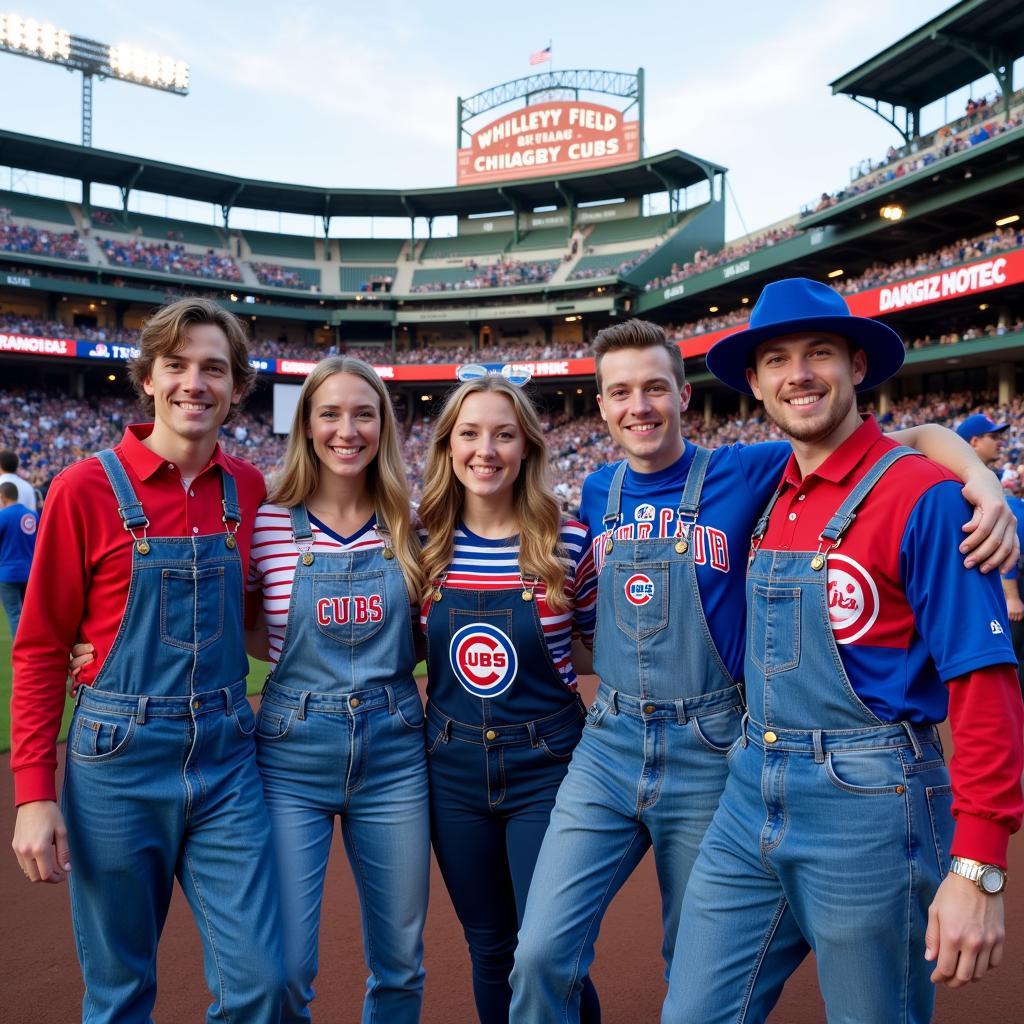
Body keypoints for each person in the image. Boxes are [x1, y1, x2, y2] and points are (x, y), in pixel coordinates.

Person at [509, 318, 1018, 1023]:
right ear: (599, 405)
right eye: (777, 359)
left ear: (687, 396)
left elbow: (895, 451)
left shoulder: (760, 474)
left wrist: (984, 479)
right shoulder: (622, 489)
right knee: (591, 972)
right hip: (695, 761)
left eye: (656, 387)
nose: (639, 406)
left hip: (796, 767)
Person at [667, 278, 1024, 1022]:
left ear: (857, 366)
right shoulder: (766, 486)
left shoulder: (924, 498)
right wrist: (973, 459)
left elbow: (985, 686)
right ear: (757, 385)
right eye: (776, 360)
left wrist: (980, 867)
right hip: (748, 791)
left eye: (819, 352)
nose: (797, 373)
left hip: (871, 804)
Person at [10, 297, 285, 1023]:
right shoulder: (82, 488)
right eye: (178, 365)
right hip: (118, 762)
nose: (195, 382)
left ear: (236, 388)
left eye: (214, 369)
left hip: (228, 755)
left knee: (265, 980)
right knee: (120, 991)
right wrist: (36, 793)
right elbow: (40, 647)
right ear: (149, 380)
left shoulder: (250, 489)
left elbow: (258, 616)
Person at [245, 356, 431, 1022]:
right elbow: (224, 620)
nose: (346, 430)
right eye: (329, 413)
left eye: (363, 413)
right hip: (291, 753)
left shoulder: (415, 522)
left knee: (401, 963)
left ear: (384, 424)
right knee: (285, 967)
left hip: (395, 754)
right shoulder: (264, 519)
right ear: (306, 425)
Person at [419, 371, 600, 1024]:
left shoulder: (569, 540)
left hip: (548, 769)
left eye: (504, 434)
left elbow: (597, 649)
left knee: (550, 954)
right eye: (469, 433)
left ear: (527, 448)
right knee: (490, 948)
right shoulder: (422, 548)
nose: (485, 449)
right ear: (447, 446)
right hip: (452, 773)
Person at [955, 414, 1024, 693]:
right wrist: (1012, 595)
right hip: (977, 578)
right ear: (974, 441)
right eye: (993, 438)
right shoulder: (953, 479)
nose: (1000, 443)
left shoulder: (990, 479)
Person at [0, 480, 36, 636]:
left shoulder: (3, 516)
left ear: (3, 496)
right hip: (29, 572)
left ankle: (21, 654)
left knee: (15, 615)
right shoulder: (32, 515)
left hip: (7, 573)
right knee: (30, 615)